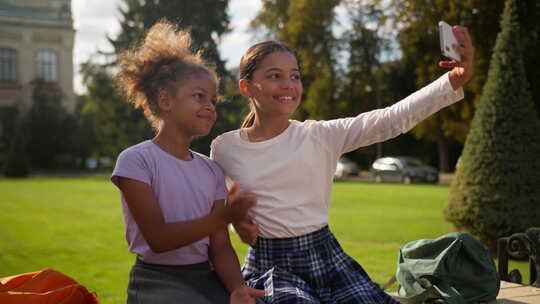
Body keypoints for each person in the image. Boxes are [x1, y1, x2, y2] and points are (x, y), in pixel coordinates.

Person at [210, 25, 474, 303]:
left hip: (327, 258)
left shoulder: (321, 135)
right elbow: (223, 207)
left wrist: (453, 80)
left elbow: (391, 119)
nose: (288, 84)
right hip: (272, 268)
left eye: (295, 76)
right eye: (275, 76)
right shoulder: (225, 148)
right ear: (246, 86)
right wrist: (236, 220)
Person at [111, 21, 264, 304]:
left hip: (206, 278)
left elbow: (219, 247)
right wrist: (224, 217)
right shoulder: (136, 161)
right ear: (165, 101)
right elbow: (158, 239)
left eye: (213, 100)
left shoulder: (211, 170)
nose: (210, 106)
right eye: (199, 96)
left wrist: (237, 289)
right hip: (157, 280)